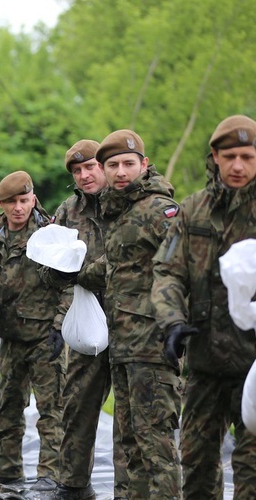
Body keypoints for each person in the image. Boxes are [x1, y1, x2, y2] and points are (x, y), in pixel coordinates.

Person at [152, 115, 256, 499]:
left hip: (255, 366)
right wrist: (172, 321)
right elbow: (167, 272)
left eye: (247, 156)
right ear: (215, 157)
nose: (238, 166)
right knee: (195, 467)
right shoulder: (193, 210)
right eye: (229, 156)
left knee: (252, 472)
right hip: (205, 362)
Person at [76, 130, 181, 498]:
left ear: (144, 165)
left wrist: (176, 325)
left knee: (157, 447)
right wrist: (73, 274)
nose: (121, 172)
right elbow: (117, 267)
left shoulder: (158, 209)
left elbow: (185, 267)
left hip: (153, 347)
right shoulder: (121, 210)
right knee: (128, 446)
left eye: (128, 164)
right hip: (123, 346)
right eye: (113, 165)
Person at [0, 171, 66, 492]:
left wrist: (61, 324)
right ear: (1, 204)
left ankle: (51, 473)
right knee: (8, 407)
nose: (19, 208)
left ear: (33, 199)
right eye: (12, 202)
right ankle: (7, 468)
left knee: (52, 409)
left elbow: (69, 282)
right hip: (10, 336)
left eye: (24, 200)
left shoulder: (50, 235)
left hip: (45, 335)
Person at [45, 140, 127, 499]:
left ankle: (129, 489)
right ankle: (73, 484)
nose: (84, 175)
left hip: (131, 322)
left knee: (131, 416)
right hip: (86, 321)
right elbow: (51, 262)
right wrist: (60, 315)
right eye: (77, 171)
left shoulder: (130, 204)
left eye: (90, 167)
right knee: (77, 404)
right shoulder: (68, 211)